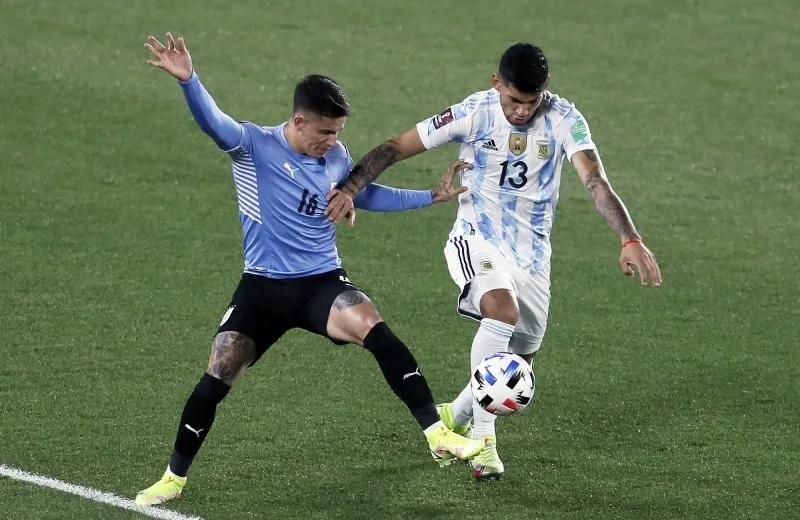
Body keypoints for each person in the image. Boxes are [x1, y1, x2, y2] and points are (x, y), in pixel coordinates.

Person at [135, 33, 484, 506]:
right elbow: (214, 123)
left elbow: (365, 194)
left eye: (338, 132)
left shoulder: (335, 157)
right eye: (325, 132)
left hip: (321, 282)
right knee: (217, 375)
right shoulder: (252, 146)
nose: (334, 143)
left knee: (377, 331)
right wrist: (189, 81)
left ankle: (436, 433)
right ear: (298, 121)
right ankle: (173, 478)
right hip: (263, 288)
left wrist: (429, 197)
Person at [325, 43, 662, 480]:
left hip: (533, 253)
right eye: (513, 100)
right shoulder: (473, 112)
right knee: (502, 312)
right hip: (476, 237)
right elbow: (395, 147)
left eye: (531, 101)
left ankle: (458, 413)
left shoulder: (564, 120)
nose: (521, 111)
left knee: (520, 358)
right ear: (496, 83)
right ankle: (485, 440)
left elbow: (594, 180)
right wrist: (351, 188)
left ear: (545, 91)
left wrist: (628, 237)